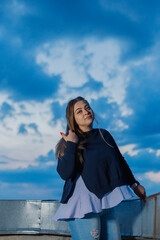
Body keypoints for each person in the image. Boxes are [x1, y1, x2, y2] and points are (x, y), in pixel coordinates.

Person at [53, 96, 146, 240]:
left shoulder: (104, 135)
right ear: (72, 119)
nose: (86, 112)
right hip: (83, 204)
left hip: (106, 201)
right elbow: (65, 173)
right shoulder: (68, 141)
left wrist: (134, 185)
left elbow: (120, 162)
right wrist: (72, 144)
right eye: (79, 111)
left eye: (87, 107)